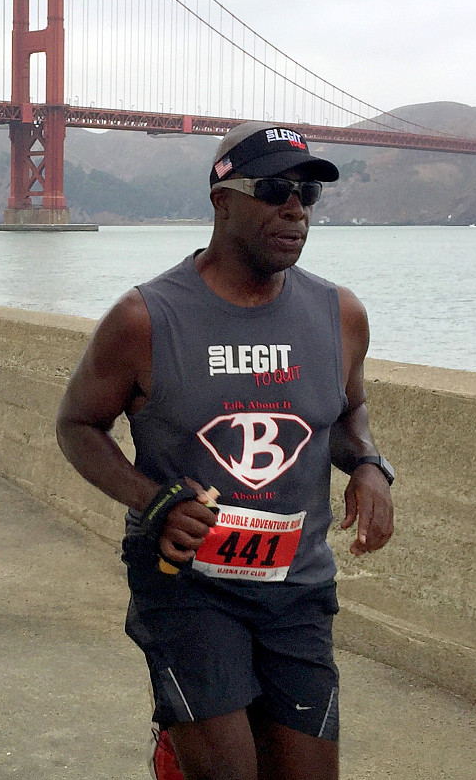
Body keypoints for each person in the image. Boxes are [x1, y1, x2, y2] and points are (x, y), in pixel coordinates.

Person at [56, 121, 395, 780]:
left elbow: (348, 409)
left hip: (298, 586)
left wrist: (368, 465)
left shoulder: (340, 315)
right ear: (222, 202)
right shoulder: (144, 318)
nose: (295, 209)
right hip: (187, 584)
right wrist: (153, 499)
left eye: (306, 194)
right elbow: (77, 424)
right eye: (273, 190)